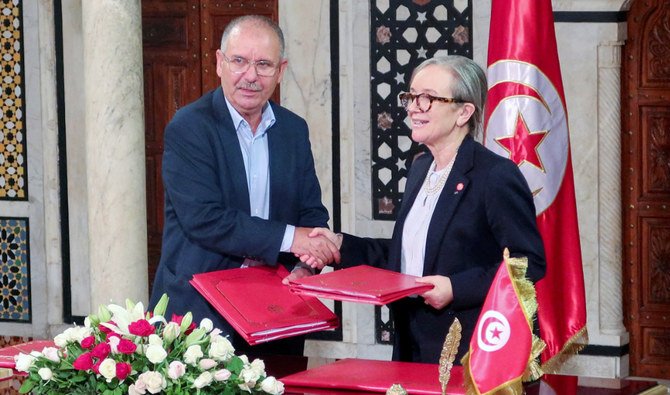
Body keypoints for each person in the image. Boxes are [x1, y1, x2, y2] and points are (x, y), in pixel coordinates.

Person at [304, 55, 546, 364]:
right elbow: (409, 256)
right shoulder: (420, 168)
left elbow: (528, 263)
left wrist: (455, 288)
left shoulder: (494, 176)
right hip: (413, 343)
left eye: (428, 98)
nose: (414, 106)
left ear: (464, 112)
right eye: (411, 96)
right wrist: (341, 246)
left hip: (474, 352)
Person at [149, 15, 339, 357]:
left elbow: (311, 213)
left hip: (276, 311)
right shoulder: (189, 127)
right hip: (199, 317)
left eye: (263, 64)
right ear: (220, 63)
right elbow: (205, 219)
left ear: (281, 71)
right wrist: (291, 237)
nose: (250, 76)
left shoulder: (293, 130)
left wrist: (305, 265)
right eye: (239, 61)